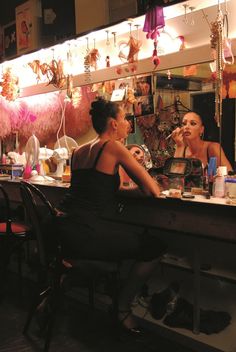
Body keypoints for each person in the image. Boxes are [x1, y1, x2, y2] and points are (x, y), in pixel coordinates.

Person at [57, 98, 167, 334]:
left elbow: (100, 188)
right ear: (113, 124)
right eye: (125, 118)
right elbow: (152, 190)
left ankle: (66, 285)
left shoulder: (78, 151)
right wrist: (140, 190)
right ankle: (122, 307)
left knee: (122, 238)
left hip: (63, 228)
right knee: (154, 246)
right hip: (84, 234)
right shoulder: (114, 147)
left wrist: (125, 191)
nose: (128, 123)